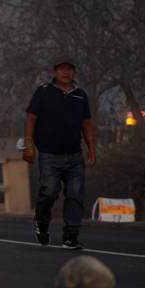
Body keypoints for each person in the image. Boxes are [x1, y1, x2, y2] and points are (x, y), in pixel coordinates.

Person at [22, 55, 96, 250]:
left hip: (74, 155)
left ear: (74, 72)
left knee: (75, 194)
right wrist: (28, 144)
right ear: (54, 72)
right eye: (62, 69)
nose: (66, 72)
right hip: (49, 154)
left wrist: (92, 149)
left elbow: (86, 124)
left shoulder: (80, 95)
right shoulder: (44, 92)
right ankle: (42, 222)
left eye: (69, 69)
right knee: (49, 191)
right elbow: (31, 118)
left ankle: (71, 236)